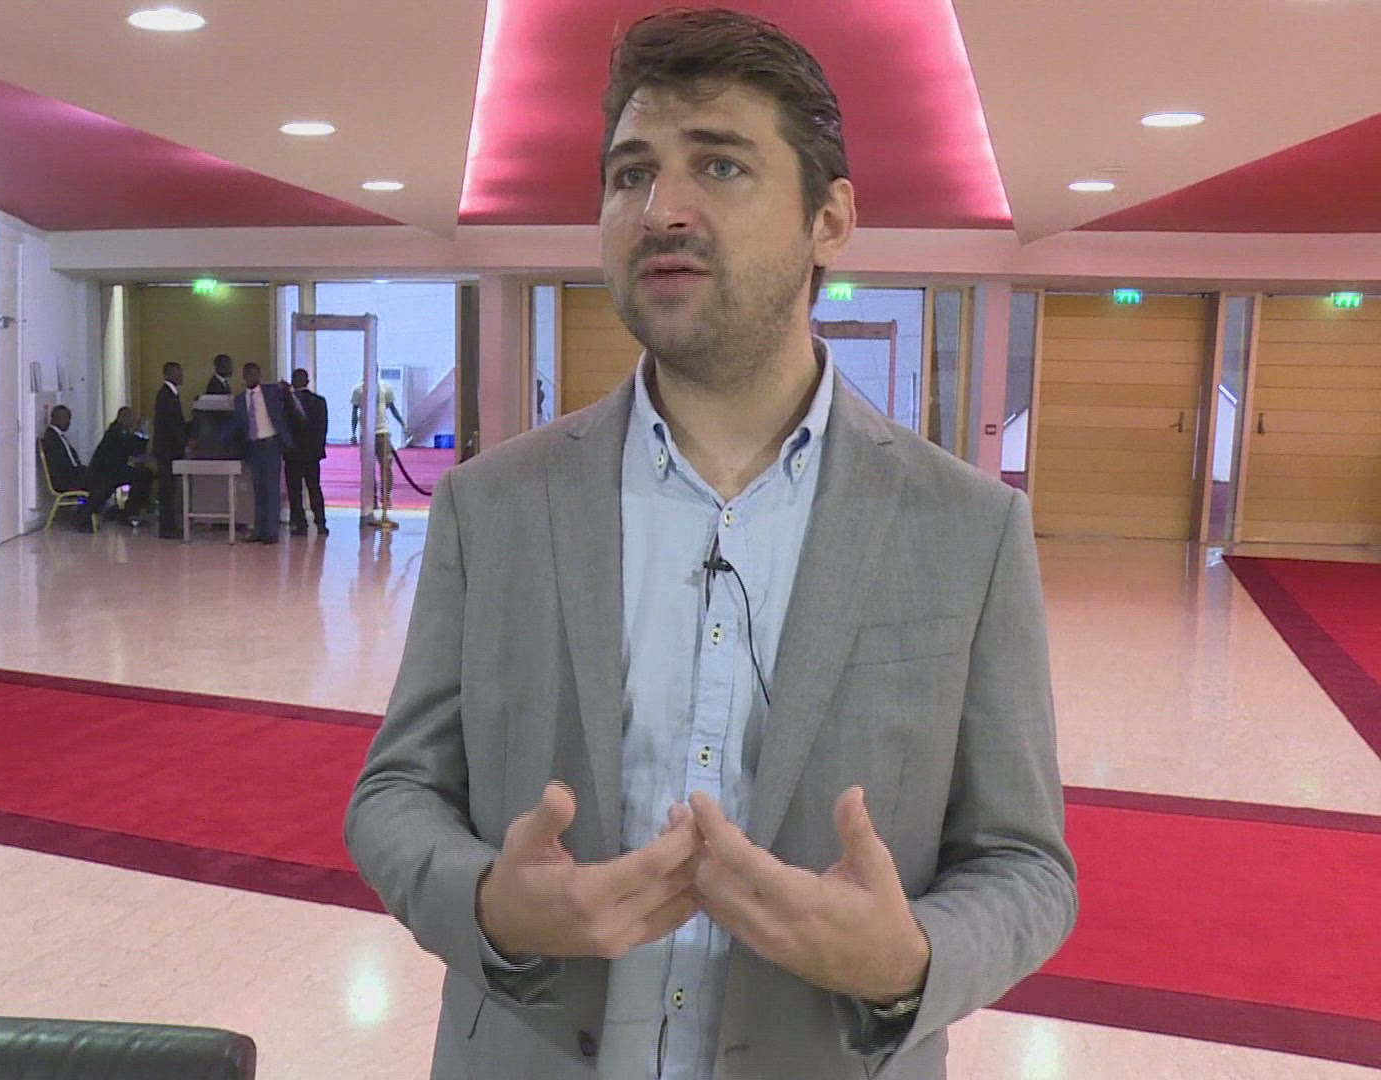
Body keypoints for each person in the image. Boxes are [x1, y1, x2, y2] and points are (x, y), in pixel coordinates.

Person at [345, 11, 1075, 1080]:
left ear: (830, 220)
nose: (661, 210)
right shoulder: (491, 505)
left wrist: (912, 960)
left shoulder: (968, 529)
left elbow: (1026, 866)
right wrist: (490, 902)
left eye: (720, 165)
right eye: (631, 173)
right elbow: (394, 795)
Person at [229, 361, 301, 545]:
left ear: (259, 375)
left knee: (271, 488)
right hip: (253, 447)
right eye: (249, 374)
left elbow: (290, 404)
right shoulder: (240, 399)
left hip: (270, 445)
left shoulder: (271, 392)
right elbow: (236, 425)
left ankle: (271, 531)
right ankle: (259, 529)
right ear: (244, 377)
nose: (252, 377)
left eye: (255, 374)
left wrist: (287, 391)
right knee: (258, 489)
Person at [84, 406, 155, 527]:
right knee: (143, 475)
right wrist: (140, 434)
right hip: (106, 472)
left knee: (144, 474)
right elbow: (132, 449)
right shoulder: (115, 433)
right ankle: (131, 511)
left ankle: (133, 509)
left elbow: (135, 449)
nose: (132, 422)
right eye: (130, 419)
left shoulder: (122, 432)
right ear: (122, 418)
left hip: (114, 470)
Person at [350, 379, 407, 515]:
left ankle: (386, 497)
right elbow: (354, 413)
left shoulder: (385, 388)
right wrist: (353, 432)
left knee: (386, 466)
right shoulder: (358, 389)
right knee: (368, 469)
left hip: (382, 432)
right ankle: (372, 499)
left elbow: (392, 408)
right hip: (366, 434)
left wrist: (402, 423)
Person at [284, 368, 330, 537]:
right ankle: (321, 523)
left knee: (295, 490)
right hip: (312, 454)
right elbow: (323, 429)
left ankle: (300, 524)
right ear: (308, 381)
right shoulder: (319, 402)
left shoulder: (286, 403)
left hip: (293, 453)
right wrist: (318, 449)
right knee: (314, 488)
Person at [152, 361, 188, 539]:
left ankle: (170, 525)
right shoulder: (166, 396)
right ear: (167, 375)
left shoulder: (170, 395)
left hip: (168, 450)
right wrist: (185, 441)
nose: (180, 375)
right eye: (176, 372)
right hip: (167, 451)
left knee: (170, 489)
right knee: (167, 490)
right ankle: (167, 527)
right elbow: (172, 425)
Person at [40, 404, 85, 495]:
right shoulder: (52, 439)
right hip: (64, 482)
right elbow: (62, 466)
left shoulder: (58, 437)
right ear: (55, 418)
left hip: (70, 476)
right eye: (65, 418)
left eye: (69, 419)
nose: (68, 422)